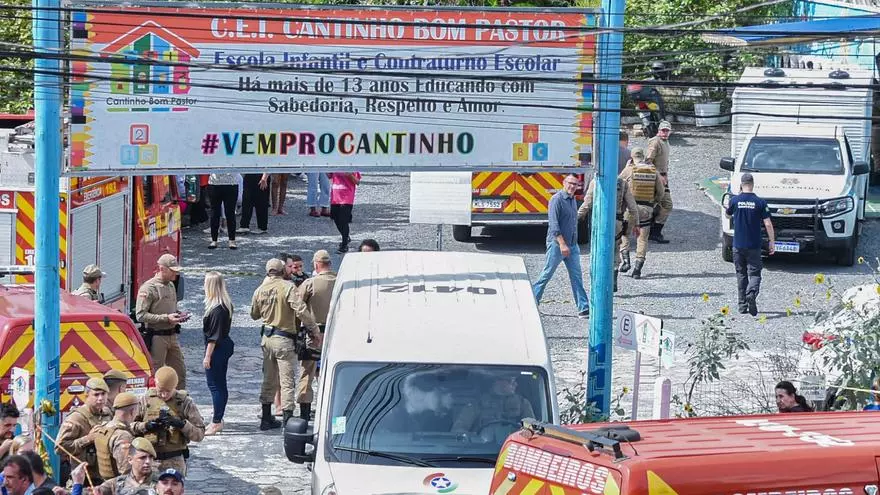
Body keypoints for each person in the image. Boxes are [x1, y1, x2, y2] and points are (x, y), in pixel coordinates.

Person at [251, 259, 318, 429]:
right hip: (284, 339)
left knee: (268, 379)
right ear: (282, 271)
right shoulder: (287, 287)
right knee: (287, 380)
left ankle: (266, 418)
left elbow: (254, 314)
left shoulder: (260, 290)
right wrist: (313, 329)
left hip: (267, 339)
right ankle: (288, 419)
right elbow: (300, 309)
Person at [531, 174, 589, 318]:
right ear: (564, 183)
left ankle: (583, 308)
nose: (572, 186)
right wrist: (562, 244)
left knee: (577, 277)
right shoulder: (556, 199)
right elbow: (554, 224)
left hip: (572, 246)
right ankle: (532, 302)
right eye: (570, 183)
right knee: (546, 274)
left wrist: (572, 244)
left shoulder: (573, 200)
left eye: (575, 184)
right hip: (557, 245)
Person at [131, 367, 205, 475]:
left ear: (175, 386)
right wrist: (146, 426)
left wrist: (182, 425)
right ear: (155, 383)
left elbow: (199, 435)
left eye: (168, 391)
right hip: (150, 462)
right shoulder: (145, 400)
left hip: (175, 461)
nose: (164, 395)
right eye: (161, 390)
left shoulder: (185, 403)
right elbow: (129, 427)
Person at [578, 170, 639, 293]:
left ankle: (599, 281)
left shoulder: (596, 182)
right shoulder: (622, 183)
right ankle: (613, 281)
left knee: (599, 250)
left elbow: (587, 203)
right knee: (615, 250)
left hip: (600, 222)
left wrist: (577, 217)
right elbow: (632, 207)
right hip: (616, 223)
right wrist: (636, 224)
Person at [293, 250, 336, 422]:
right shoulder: (341, 281)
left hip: (313, 333)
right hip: (335, 333)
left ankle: (305, 412)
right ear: (330, 264)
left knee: (307, 373)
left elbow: (298, 306)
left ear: (316, 265)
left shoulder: (310, 283)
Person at [135, 254, 189, 390]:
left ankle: (179, 401)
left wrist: (178, 314)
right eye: (173, 270)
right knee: (156, 376)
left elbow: (169, 307)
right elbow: (140, 315)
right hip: (157, 337)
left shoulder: (171, 285)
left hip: (172, 335)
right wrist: (166, 318)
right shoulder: (149, 288)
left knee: (180, 373)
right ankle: (155, 401)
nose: (176, 273)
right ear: (162, 269)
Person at [725, 173, 775, 316]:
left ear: (741, 184)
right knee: (755, 273)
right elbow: (768, 224)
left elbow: (728, 215)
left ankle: (742, 306)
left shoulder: (735, 200)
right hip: (754, 245)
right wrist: (772, 241)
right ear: (753, 184)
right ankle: (751, 293)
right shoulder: (760, 202)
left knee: (741, 274)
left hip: (738, 245)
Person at [618, 147, 666, 280]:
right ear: (643, 156)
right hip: (646, 209)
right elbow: (661, 192)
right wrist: (654, 203)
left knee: (624, 234)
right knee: (642, 238)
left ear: (632, 157)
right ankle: (637, 269)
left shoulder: (629, 170)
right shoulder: (653, 171)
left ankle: (626, 260)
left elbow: (618, 184)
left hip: (630, 209)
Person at [55, 378, 112, 485]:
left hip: (105, 476)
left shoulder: (107, 414)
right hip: (83, 478)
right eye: (96, 395)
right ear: (87, 395)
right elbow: (59, 448)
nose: (100, 398)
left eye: (103, 394)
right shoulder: (76, 418)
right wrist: (88, 439)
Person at [202, 272, 235, 436]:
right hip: (224, 346)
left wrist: (207, 356)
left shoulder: (216, 310)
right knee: (220, 384)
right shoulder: (225, 305)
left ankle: (216, 421)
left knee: (215, 385)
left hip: (217, 349)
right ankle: (218, 417)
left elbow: (213, 337)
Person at [451, 374, 535, 439]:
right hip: (482, 450)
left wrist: (523, 433)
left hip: (514, 449)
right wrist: (474, 438)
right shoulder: (477, 404)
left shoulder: (523, 403)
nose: (515, 384)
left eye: (515, 381)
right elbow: (458, 430)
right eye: (511, 381)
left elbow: (532, 430)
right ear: (497, 381)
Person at [93, 392, 139, 480]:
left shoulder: (104, 427)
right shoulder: (122, 436)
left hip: (105, 482)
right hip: (118, 484)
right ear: (132, 411)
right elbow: (126, 470)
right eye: (137, 410)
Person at [93, 438, 158, 495]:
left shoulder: (161, 483)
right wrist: (96, 491)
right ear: (130, 460)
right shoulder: (117, 484)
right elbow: (98, 491)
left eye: (151, 457)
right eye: (142, 458)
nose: (148, 461)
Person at [646, 120, 673, 244]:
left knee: (658, 206)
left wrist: (665, 175)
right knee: (666, 204)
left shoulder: (665, 142)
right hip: (655, 180)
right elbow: (648, 161)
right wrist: (659, 176)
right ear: (659, 131)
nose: (665, 132)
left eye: (667, 130)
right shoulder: (655, 142)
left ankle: (653, 232)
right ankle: (654, 232)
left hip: (663, 178)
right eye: (663, 130)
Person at [329, 172, 361, 253]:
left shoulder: (351, 167)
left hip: (347, 198)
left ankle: (344, 245)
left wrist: (349, 175)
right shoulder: (335, 166)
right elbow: (329, 176)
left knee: (343, 221)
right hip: (335, 197)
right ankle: (346, 236)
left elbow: (357, 182)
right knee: (336, 219)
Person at [206, 173, 239, 250]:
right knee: (214, 213)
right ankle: (214, 240)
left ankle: (232, 240)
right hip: (214, 183)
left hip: (231, 183)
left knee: (230, 212)